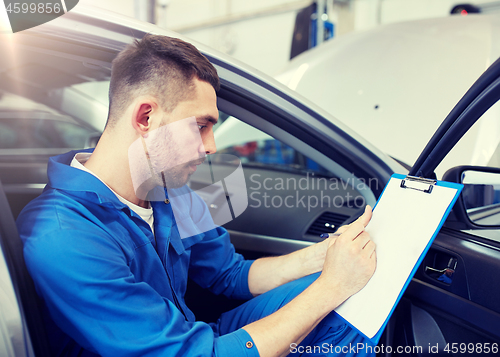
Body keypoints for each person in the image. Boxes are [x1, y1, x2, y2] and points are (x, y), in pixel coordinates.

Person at [16, 34, 377, 357]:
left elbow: (231, 275)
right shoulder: (63, 236)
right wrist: (332, 285)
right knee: (329, 295)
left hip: (196, 339)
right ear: (145, 117)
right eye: (201, 126)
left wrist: (324, 258)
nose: (212, 147)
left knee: (348, 298)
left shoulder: (168, 191)